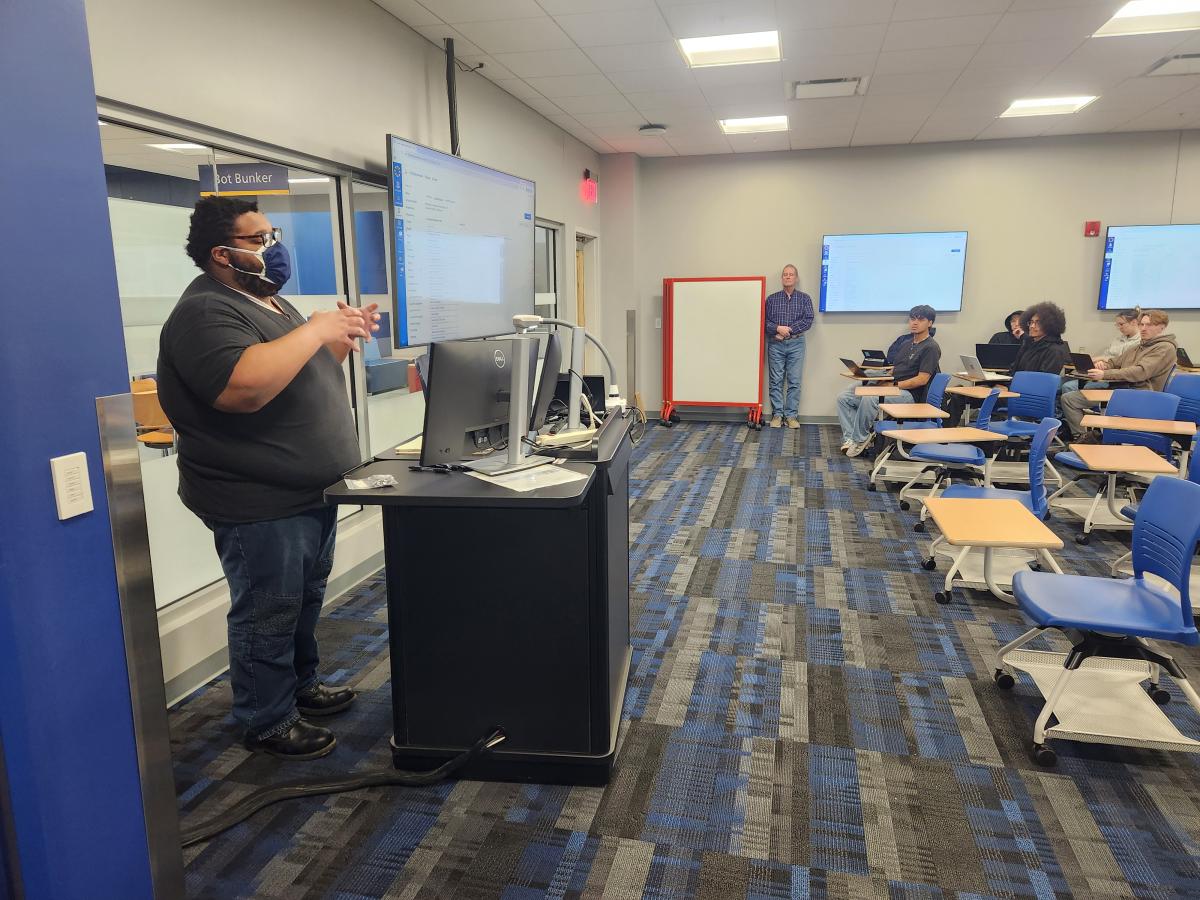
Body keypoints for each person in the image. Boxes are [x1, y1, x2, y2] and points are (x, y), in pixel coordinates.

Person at [158, 196, 379, 761]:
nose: (272, 249)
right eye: (258, 241)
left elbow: (301, 370)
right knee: (267, 608)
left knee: (302, 600)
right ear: (221, 254)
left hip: (308, 490)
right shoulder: (204, 312)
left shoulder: (269, 303)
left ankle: (300, 687)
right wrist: (315, 331)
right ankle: (267, 718)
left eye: (270, 236)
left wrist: (340, 338)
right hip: (256, 499)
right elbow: (242, 388)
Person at [836, 305, 941, 458]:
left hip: (909, 394)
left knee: (870, 398)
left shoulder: (930, 347)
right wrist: (873, 375)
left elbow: (922, 379)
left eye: (921, 319)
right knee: (844, 398)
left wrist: (893, 386)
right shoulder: (906, 344)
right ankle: (850, 438)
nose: (915, 323)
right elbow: (895, 369)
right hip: (893, 386)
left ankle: (860, 440)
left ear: (930, 323)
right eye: (912, 319)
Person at [1060, 310, 1178, 440]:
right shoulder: (1139, 346)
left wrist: (1105, 374)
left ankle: (1093, 440)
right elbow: (1115, 362)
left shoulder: (1165, 348)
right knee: (1069, 399)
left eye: (1149, 325)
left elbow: (1139, 372)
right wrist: (1104, 365)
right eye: (1141, 325)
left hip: (1141, 395)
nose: (1143, 329)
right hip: (1121, 390)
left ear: (1162, 327)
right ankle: (1084, 438)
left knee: (1075, 395)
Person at [764, 264, 814, 428]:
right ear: (781, 278)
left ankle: (791, 416)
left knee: (794, 381)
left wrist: (788, 330)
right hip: (775, 344)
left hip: (796, 344)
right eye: (785, 274)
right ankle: (777, 415)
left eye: (791, 274)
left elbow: (808, 320)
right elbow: (765, 322)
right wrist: (777, 329)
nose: (787, 277)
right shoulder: (771, 299)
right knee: (776, 381)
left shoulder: (805, 298)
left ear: (796, 278)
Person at [1009, 302, 1071, 375]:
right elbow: (1014, 369)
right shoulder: (1028, 344)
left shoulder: (1054, 350)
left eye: (1038, 323)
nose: (1032, 326)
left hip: (1031, 385)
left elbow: (1043, 379)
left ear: (1049, 325)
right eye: (1031, 322)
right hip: (1015, 384)